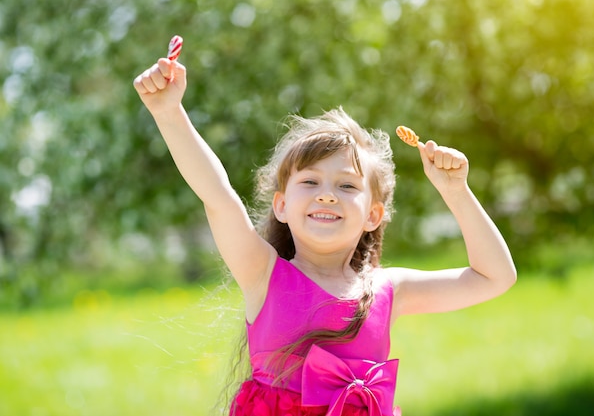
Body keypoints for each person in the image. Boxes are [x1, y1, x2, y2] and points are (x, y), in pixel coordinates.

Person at [133, 56, 517, 416]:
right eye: (311, 181)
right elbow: (217, 195)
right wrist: (169, 113)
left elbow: (494, 277)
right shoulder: (263, 273)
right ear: (281, 206)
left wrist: (456, 192)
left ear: (373, 215)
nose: (327, 194)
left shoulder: (388, 289)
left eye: (347, 186)